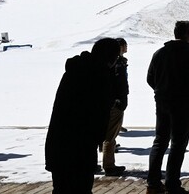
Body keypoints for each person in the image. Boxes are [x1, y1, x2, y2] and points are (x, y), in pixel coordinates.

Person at [45, 38, 120, 194]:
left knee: (60, 189)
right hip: (81, 148)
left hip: (58, 143)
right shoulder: (100, 77)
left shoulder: (74, 70)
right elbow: (99, 116)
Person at [147, 21, 189, 194]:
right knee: (178, 144)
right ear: (188, 34)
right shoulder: (188, 53)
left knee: (159, 141)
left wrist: (162, 90)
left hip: (162, 102)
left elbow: (150, 78)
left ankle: (153, 184)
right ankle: (172, 185)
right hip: (182, 104)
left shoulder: (159, 53)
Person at [101, 37, 129, 177]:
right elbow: (118, 83)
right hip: (116, 103)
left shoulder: (115, 63)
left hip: (117, 101)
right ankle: (109, 165)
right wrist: (119, 100)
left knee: (110, 135)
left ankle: (108, 163)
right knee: (110, 136)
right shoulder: (117, 64)